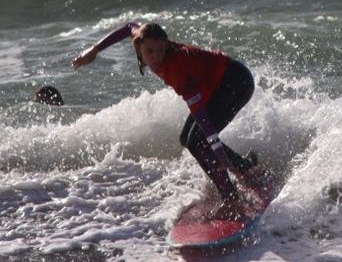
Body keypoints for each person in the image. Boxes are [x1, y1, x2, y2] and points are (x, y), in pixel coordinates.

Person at [72, 21, 258, 215]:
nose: (156, 57)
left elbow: (201, 116)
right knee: (187, 139)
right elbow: (128, 28)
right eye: (150, 51)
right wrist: (95, 50)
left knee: (198, 141)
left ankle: (231, 198)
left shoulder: (176, 66)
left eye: (161, 50)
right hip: (218, 84)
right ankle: (246, 169)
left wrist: (217, 150)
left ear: (166, 45)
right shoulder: (143, 37)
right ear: (139, 46)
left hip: (236, 82)